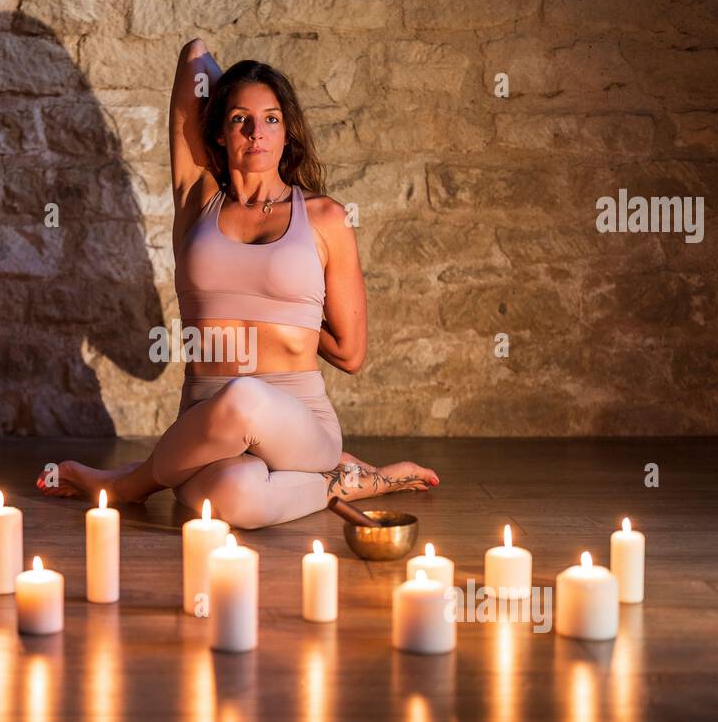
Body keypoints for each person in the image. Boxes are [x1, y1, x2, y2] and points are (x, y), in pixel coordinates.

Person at [37, 39, 438, 528]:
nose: (256, 131)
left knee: (246, 395)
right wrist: (235, 87)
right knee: (235, 503)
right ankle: (355, 480)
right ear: (220, 134)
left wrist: (288, 321)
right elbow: (194, 55)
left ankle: (124, 485)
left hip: (299, 420)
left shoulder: (325, 218)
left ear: (288, 132)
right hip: (205, 424)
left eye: (271, 118)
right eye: (239, 119)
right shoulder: (198, 199)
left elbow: (351, 355)